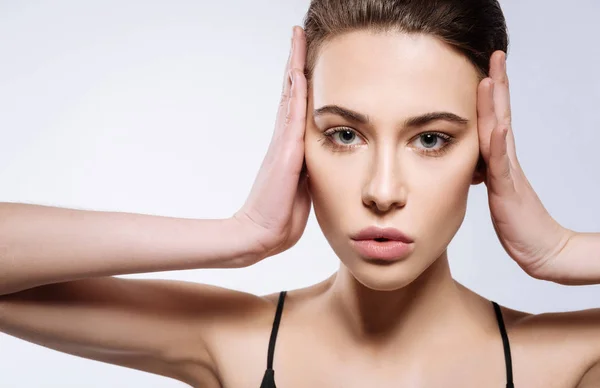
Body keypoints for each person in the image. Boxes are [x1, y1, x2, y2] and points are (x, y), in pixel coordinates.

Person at [1, 0, 599, 386]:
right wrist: (239, 236)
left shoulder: (565, 361)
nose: (382, 191)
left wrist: (562, 252)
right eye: (345, 134)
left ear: (485, 150)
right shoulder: (235, 341)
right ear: (300, 142)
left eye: (432, 139)